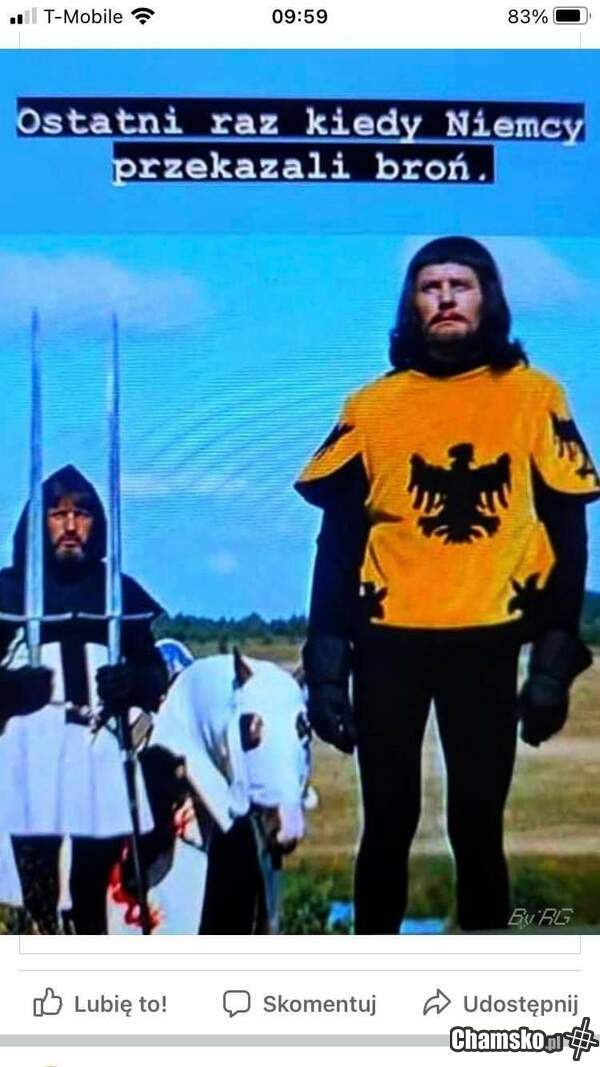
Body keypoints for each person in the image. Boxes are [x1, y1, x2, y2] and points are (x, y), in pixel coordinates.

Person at [295, 236, 599, 934]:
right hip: (388, 637)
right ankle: (374, 976)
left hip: (487, 634)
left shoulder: (532, 397)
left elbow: (568, 532)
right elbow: (338, 543)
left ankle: (480, 971)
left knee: (478, 822)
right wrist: (327, 663)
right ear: (412, 304)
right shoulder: (374, 407)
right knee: (387, 821)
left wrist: (553, 662)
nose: (445, 299)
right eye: (430, 287)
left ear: (487, 297)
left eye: (460, 285)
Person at [0, 464, 167, 933]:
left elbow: (156, 676)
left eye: (82, 514)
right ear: (39, 524)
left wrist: (132, 681)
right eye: (58, 515)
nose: (71, 526)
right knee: (36, 877)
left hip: (97, 746)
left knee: (92, 877)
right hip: (29, 752)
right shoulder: (8, 593)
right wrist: (12, 690)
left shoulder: (118, 593)